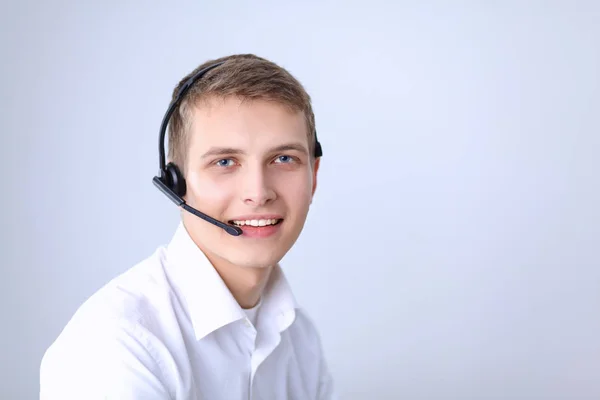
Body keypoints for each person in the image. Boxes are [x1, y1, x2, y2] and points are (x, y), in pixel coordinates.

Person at [39, 54, 335, 399]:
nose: (258, 193)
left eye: (284, 159)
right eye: (225, 162)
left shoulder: (299, 338)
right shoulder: (117, 346)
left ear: (313, 177)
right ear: (175, 183)